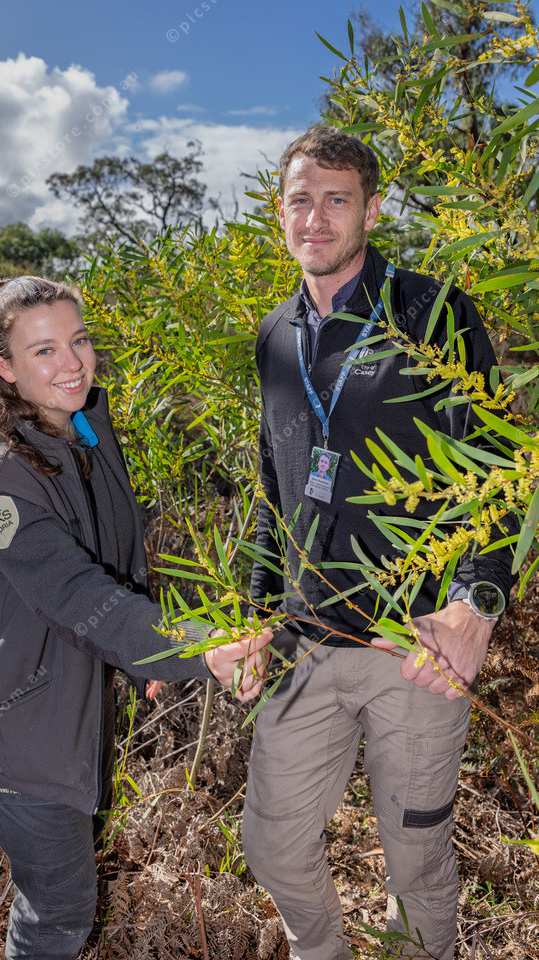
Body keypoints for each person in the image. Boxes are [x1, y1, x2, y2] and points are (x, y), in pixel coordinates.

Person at [0, 276, 272, 960]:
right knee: (57, 915)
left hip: (76, 697)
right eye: (44, 350)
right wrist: (194, 647)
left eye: (80, 340)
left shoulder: (84, 423)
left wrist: (136, 655)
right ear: (3, 365)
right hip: (22, 724)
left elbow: (117, 550)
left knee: (66, 889)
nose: (73, 364)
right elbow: (78, 593)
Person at [241, 128, 514, 960]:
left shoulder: (432, 313)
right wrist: (255, 612)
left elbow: (499, 466)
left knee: (417, 864)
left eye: (337, 199)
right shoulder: (275, 335)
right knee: (271, 844)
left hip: (414, 646)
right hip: (306, 642)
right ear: (279, 210)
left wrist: (477, 604)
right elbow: (274, 486)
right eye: (300, 200)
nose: (315, 218)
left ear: (373, 208)